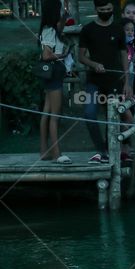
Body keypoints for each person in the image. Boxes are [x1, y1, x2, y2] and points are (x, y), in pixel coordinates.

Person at [78, 0, 131, 164]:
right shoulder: (87, 30)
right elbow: (81, 56)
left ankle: (109, 150)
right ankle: (100, 150)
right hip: (93, 80)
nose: (106, 11)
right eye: (102, 9)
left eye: (108, 9)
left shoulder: (118, 29)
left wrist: (127, 81)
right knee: (89, 113)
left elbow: (124, 55)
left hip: (114, 81)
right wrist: (94, 64)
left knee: (112, 116)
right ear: (96, 9)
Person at [39, 0, 71, 164]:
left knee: (47, 112)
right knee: (54, 114)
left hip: (50, 74)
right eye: (58, 11)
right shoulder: (50, 30)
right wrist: (63, 56)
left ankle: (44, 151)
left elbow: (61, 25)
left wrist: (65, 12)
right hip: (54, 72)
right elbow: (46, 55)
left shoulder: (49, 28)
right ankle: (57, 153)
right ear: (53, 12)